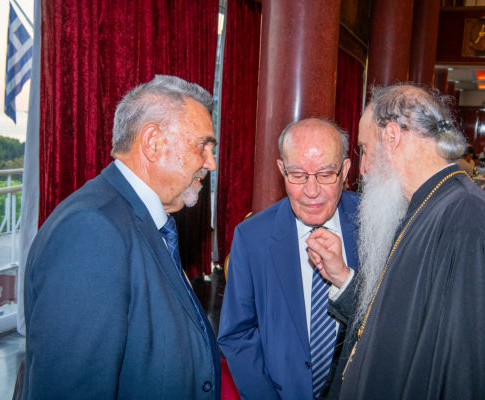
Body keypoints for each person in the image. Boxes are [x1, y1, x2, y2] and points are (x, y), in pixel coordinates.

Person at [306, 84, 485, 399]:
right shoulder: (425, 207)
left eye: (365, 149)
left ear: (392, 136)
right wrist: (341, 277)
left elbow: (467, 372)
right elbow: (400, 322)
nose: (363, 169)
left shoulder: (466, 217)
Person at [23, 75, 221, 399]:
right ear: (152, 142)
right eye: (203, 146)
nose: (210, 163)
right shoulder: (91, 232)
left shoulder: (137, 216)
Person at [218, 118, 359, 400]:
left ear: (344, 170)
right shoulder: (252, 237)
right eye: (297, 175)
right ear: (281, 169)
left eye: (325, 174)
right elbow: (237, 335)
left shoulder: (376, 224)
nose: (311, 191)